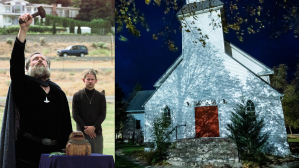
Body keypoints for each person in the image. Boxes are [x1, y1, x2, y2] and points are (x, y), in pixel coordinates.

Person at [0, 13, 73, 168]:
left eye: (43, 59)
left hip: (54, 154)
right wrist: (23, 30)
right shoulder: (24, 85)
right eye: (35, 59)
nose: (40, 59)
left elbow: (66, 124)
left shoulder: (58, 92)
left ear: (48, 66)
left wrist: (67, 148)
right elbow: (16, 64)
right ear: (27, 68)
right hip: (27, 153)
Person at [72, 70, 106, 154]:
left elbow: (103, 114)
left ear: (96, 81)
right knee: (81, 160)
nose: (90, 81)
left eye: (92, 79)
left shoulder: (101, 96)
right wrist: (86, 128)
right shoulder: (77, 96)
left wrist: (93, 127)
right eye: (88, 79)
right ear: (84, 80)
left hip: (96, 133)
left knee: (97, 159)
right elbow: (75, 115)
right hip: (81, 134)